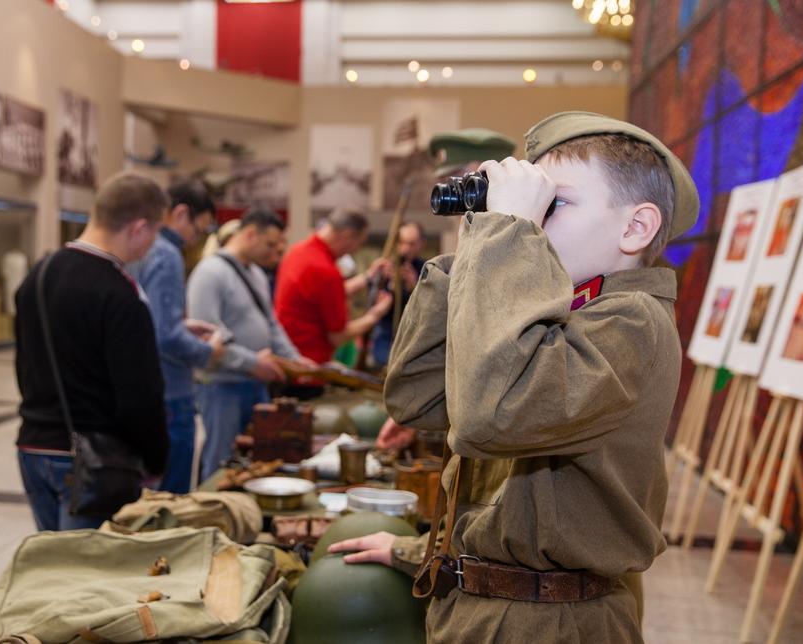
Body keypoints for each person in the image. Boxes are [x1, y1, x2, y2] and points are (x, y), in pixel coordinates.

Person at [329, 112, 700, 643]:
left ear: (635, 227)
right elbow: (419, 398)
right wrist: (478, 243)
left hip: (549, 622)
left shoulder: (632, 322)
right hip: (487, 605)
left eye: (556, 203)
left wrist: (509, 236)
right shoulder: (558, 309)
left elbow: (486, 420)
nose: (532, 219)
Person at [14, 171, 170, 531]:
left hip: (33, 447)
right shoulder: (120, 294)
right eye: (155, 233)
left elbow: (25, 365)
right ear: (138, 228)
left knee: (57, 567)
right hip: (92, 463)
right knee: (87, 578)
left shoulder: (39, 273)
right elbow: (140, 396)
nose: (152, 244)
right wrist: (156, 460)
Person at [187, 207, 308, 480]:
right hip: (222, 388)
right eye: (270, 244)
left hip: (255, 386)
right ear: (251, 234)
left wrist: (295, 359)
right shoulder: (210, 273)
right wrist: (254, 363)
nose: (273, 252)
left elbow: (271, 323)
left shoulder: (256, 274)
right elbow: (206, 337)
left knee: (255, 465)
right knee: (221, 467)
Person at [129, 178, 225, 494]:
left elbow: (147, 323)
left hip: (146, 390)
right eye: (199, 230)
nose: (195, 240)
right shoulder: (166, 253)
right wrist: (207, 352)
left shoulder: (138, 248)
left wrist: (182, 328)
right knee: (171, 500)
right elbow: (164, 336)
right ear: (181, 213)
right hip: (171, 394)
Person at [274, 209, 394, 366]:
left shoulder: (297, 252)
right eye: (359, 243)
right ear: (347, 235)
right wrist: (374, 316)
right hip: (307, 367)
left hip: (287, 358)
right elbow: (338, 336)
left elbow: (323, 294)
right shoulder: (325, 271)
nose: (355, 250)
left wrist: (368, 277)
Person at [370, 221, 426, 369]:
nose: (406, 249)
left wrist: (415, 286)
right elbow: (370, 304)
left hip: (413, 336)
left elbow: (430, 309)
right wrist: (381, 283)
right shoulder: (384, 267)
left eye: (412, 244)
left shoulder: (427, 269)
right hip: (385, 337)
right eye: (402, 243)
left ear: (421, 244)